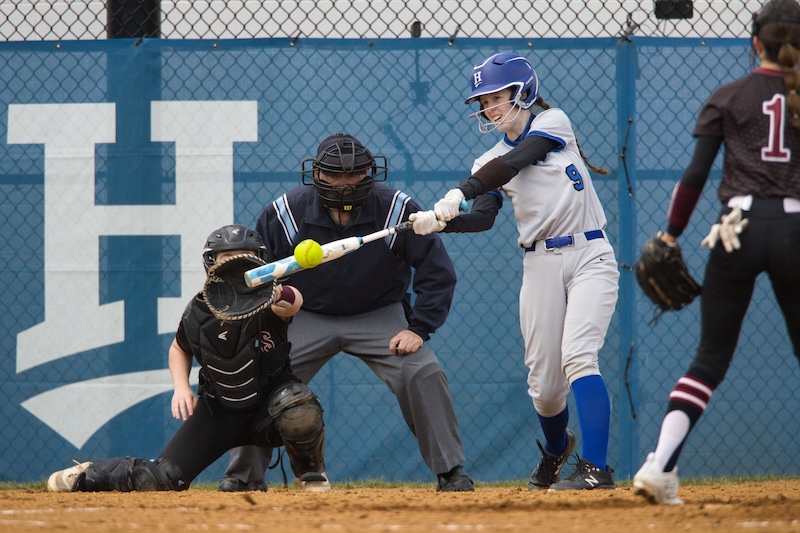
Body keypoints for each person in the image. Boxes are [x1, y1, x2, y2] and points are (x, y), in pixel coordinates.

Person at [218, 133, 474, 493]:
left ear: (370, 172)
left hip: (378, 314)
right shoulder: (287, 212)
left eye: (354, 174)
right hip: (305, 313)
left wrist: (419, 328)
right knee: (259, 375)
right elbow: (260, 272)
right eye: (334, 175)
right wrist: (271, 317)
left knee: (423, 371)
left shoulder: (395, 208)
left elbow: (437, 271)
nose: (344, 184)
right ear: (316, 174)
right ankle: (244, 476)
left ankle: (451, 471)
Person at [411, 52, 620, 491]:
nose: (490, 108)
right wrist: (440, 222)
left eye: (496, 97)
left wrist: (461, 191)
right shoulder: (486, 161)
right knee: (544, 387)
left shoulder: (553, 123)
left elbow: (517, 159)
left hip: (590, 254)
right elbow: (483, 218)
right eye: (484, 101)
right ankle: (556, 449)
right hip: (540, 263)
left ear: (523, 91)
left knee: (579, 355)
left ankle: (596, 469)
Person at [632, 0, 800, 506]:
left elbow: (695, 176)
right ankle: (661, 468)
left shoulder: (729, 95)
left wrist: (670, 235)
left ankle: (660, 465)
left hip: (736, 230)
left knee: (710, 357)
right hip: (794, 231)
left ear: (756, 42)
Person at [47, 225, 332, 493]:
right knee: (161, 477)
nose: (236, 263)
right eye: (227, 257)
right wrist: (181, 387)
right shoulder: (199, 310)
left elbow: (293, 302)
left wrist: (275, 290)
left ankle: (312, 476)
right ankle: (89, 474)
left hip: (268, 410)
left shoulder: (270, 299)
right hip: (219, 414)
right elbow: (179, 349)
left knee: (296, 404)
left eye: (245, 256)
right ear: (212, 263)